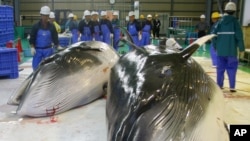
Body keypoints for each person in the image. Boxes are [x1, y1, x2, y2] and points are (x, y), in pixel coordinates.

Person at [212, 2, 245, 92]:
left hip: (220, 51)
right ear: (234, 11)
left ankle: (219, 86)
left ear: (225, 10)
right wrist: (242, 48)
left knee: (220, 69)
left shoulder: (219, 23)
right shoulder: (235, 23)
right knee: (232, 68)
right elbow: (239, 36)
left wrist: (215, 46)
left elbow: (213, 36)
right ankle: (232, 87)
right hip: (231, 51)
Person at [29, 6, 60, 71]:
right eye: (43, 15)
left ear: (48, 16)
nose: (45, 17)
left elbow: (55, 37)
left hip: (48, 50)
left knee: (48, 68)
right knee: (36, 68)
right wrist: (32, 47)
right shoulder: (36, 26)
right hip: (38, 51)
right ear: (41, 15)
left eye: (46, 16)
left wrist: (57, 46)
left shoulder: (52, 27)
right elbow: (32, 37)